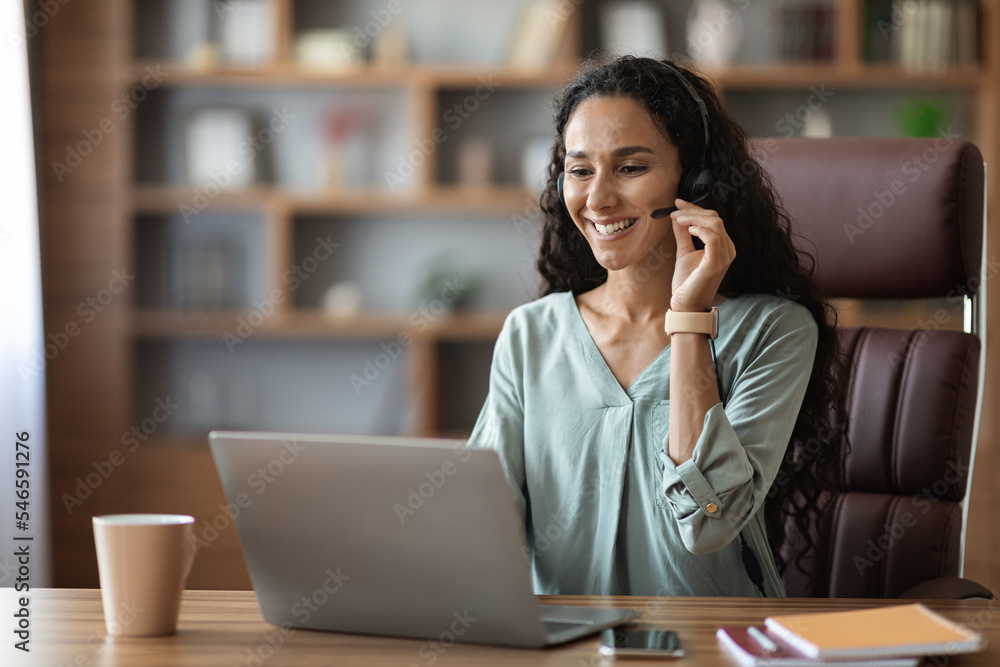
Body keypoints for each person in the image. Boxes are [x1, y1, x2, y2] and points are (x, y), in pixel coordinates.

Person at [466, 55, 844, 597]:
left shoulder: (774, 331)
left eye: (630, 167)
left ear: (694, 181)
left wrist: (689, 319)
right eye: (579, 170)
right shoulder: (532, 334)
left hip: (718, 648)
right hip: (568, 650)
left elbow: (708, 524)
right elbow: (481, 523)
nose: (597, 199)